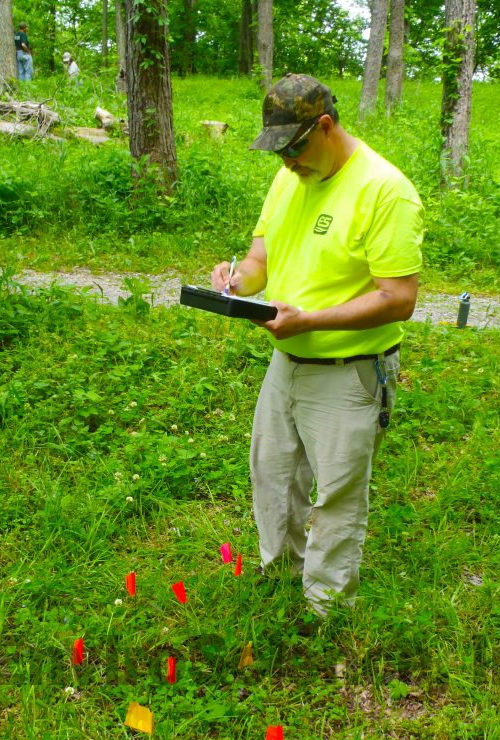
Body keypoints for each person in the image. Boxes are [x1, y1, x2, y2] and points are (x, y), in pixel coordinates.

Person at [211, 74, 423, 619]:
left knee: (337, 495)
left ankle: (325, 609)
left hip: (349, 370)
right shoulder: (290, 180)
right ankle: (278, 577)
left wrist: (311, 321)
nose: (286, 165)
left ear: (325, 127)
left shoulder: (385, 190)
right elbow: (260, 262)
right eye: (278, 154)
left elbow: (398, 299)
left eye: (294, 149)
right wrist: (236, 281)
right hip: (288, 360)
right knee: (273, 473)